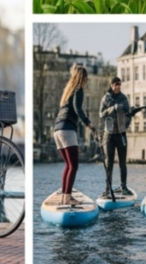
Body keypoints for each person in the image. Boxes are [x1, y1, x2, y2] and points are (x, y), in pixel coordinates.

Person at [53, 64, 94, 206]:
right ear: (83, 78)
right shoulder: (78, 90)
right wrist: (88, 123)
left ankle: (64, 197)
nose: (86, 81)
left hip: (57, 130)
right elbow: (78, 108)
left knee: (68, 165)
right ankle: (68, 197)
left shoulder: (68, 91)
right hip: (67, 129)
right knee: (74, 165)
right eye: (86, 79)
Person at [98, 76, 144, 199]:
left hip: (121, 135)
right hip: (109, 136)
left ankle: (123, 187)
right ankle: (108, 189)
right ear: (111, 85)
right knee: (109, 164)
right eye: (115, 85)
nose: (117, 87)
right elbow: (101, 114)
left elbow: (129, 114)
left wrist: (126, 124)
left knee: (123, 163)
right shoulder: (106, 98)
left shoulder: (124, 99)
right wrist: (112, 108)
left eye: (119, 85)